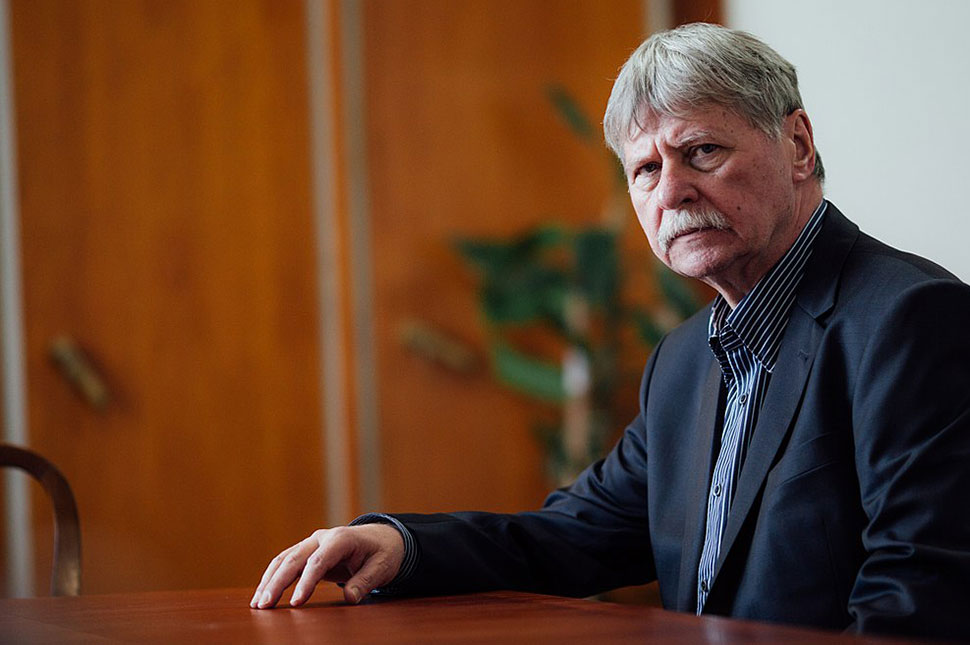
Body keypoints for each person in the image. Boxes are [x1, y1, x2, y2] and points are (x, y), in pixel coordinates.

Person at [250, 23, 970, 639]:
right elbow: (576, 535)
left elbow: (917, 602)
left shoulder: (912, 319)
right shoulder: (683, 360)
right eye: (646, 169)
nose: (672, 192)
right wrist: (402, 545)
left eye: (702, 152)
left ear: (799, 146)